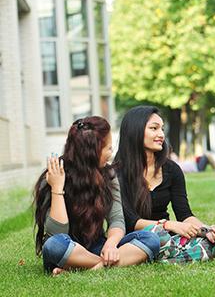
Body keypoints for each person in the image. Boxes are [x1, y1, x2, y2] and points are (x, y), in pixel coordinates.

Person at [33, 116, 160, 275]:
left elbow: (117, 220)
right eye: (107, 148)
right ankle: (101, 265)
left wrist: (111, 245)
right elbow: (57, 234)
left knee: (151, 239)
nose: (111, 152)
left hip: (97, 248)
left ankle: (84, 268)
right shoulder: (54, 175)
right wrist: (57, 187)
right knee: (53, 245)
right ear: (91, 151)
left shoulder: (109, 174)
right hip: (67, 248)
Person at [113, 105, 215, 264]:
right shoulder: (117, 173)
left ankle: (168, 256)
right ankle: (180, 254)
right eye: (154, 128)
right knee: (155, 236)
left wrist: (206, 230)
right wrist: (169, 225)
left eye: (162, 129)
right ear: (136, 131)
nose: (161, 134)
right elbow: (131, 221)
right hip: (138, 237)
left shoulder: (171, 169)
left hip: (168, 235)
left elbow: (185, 215)